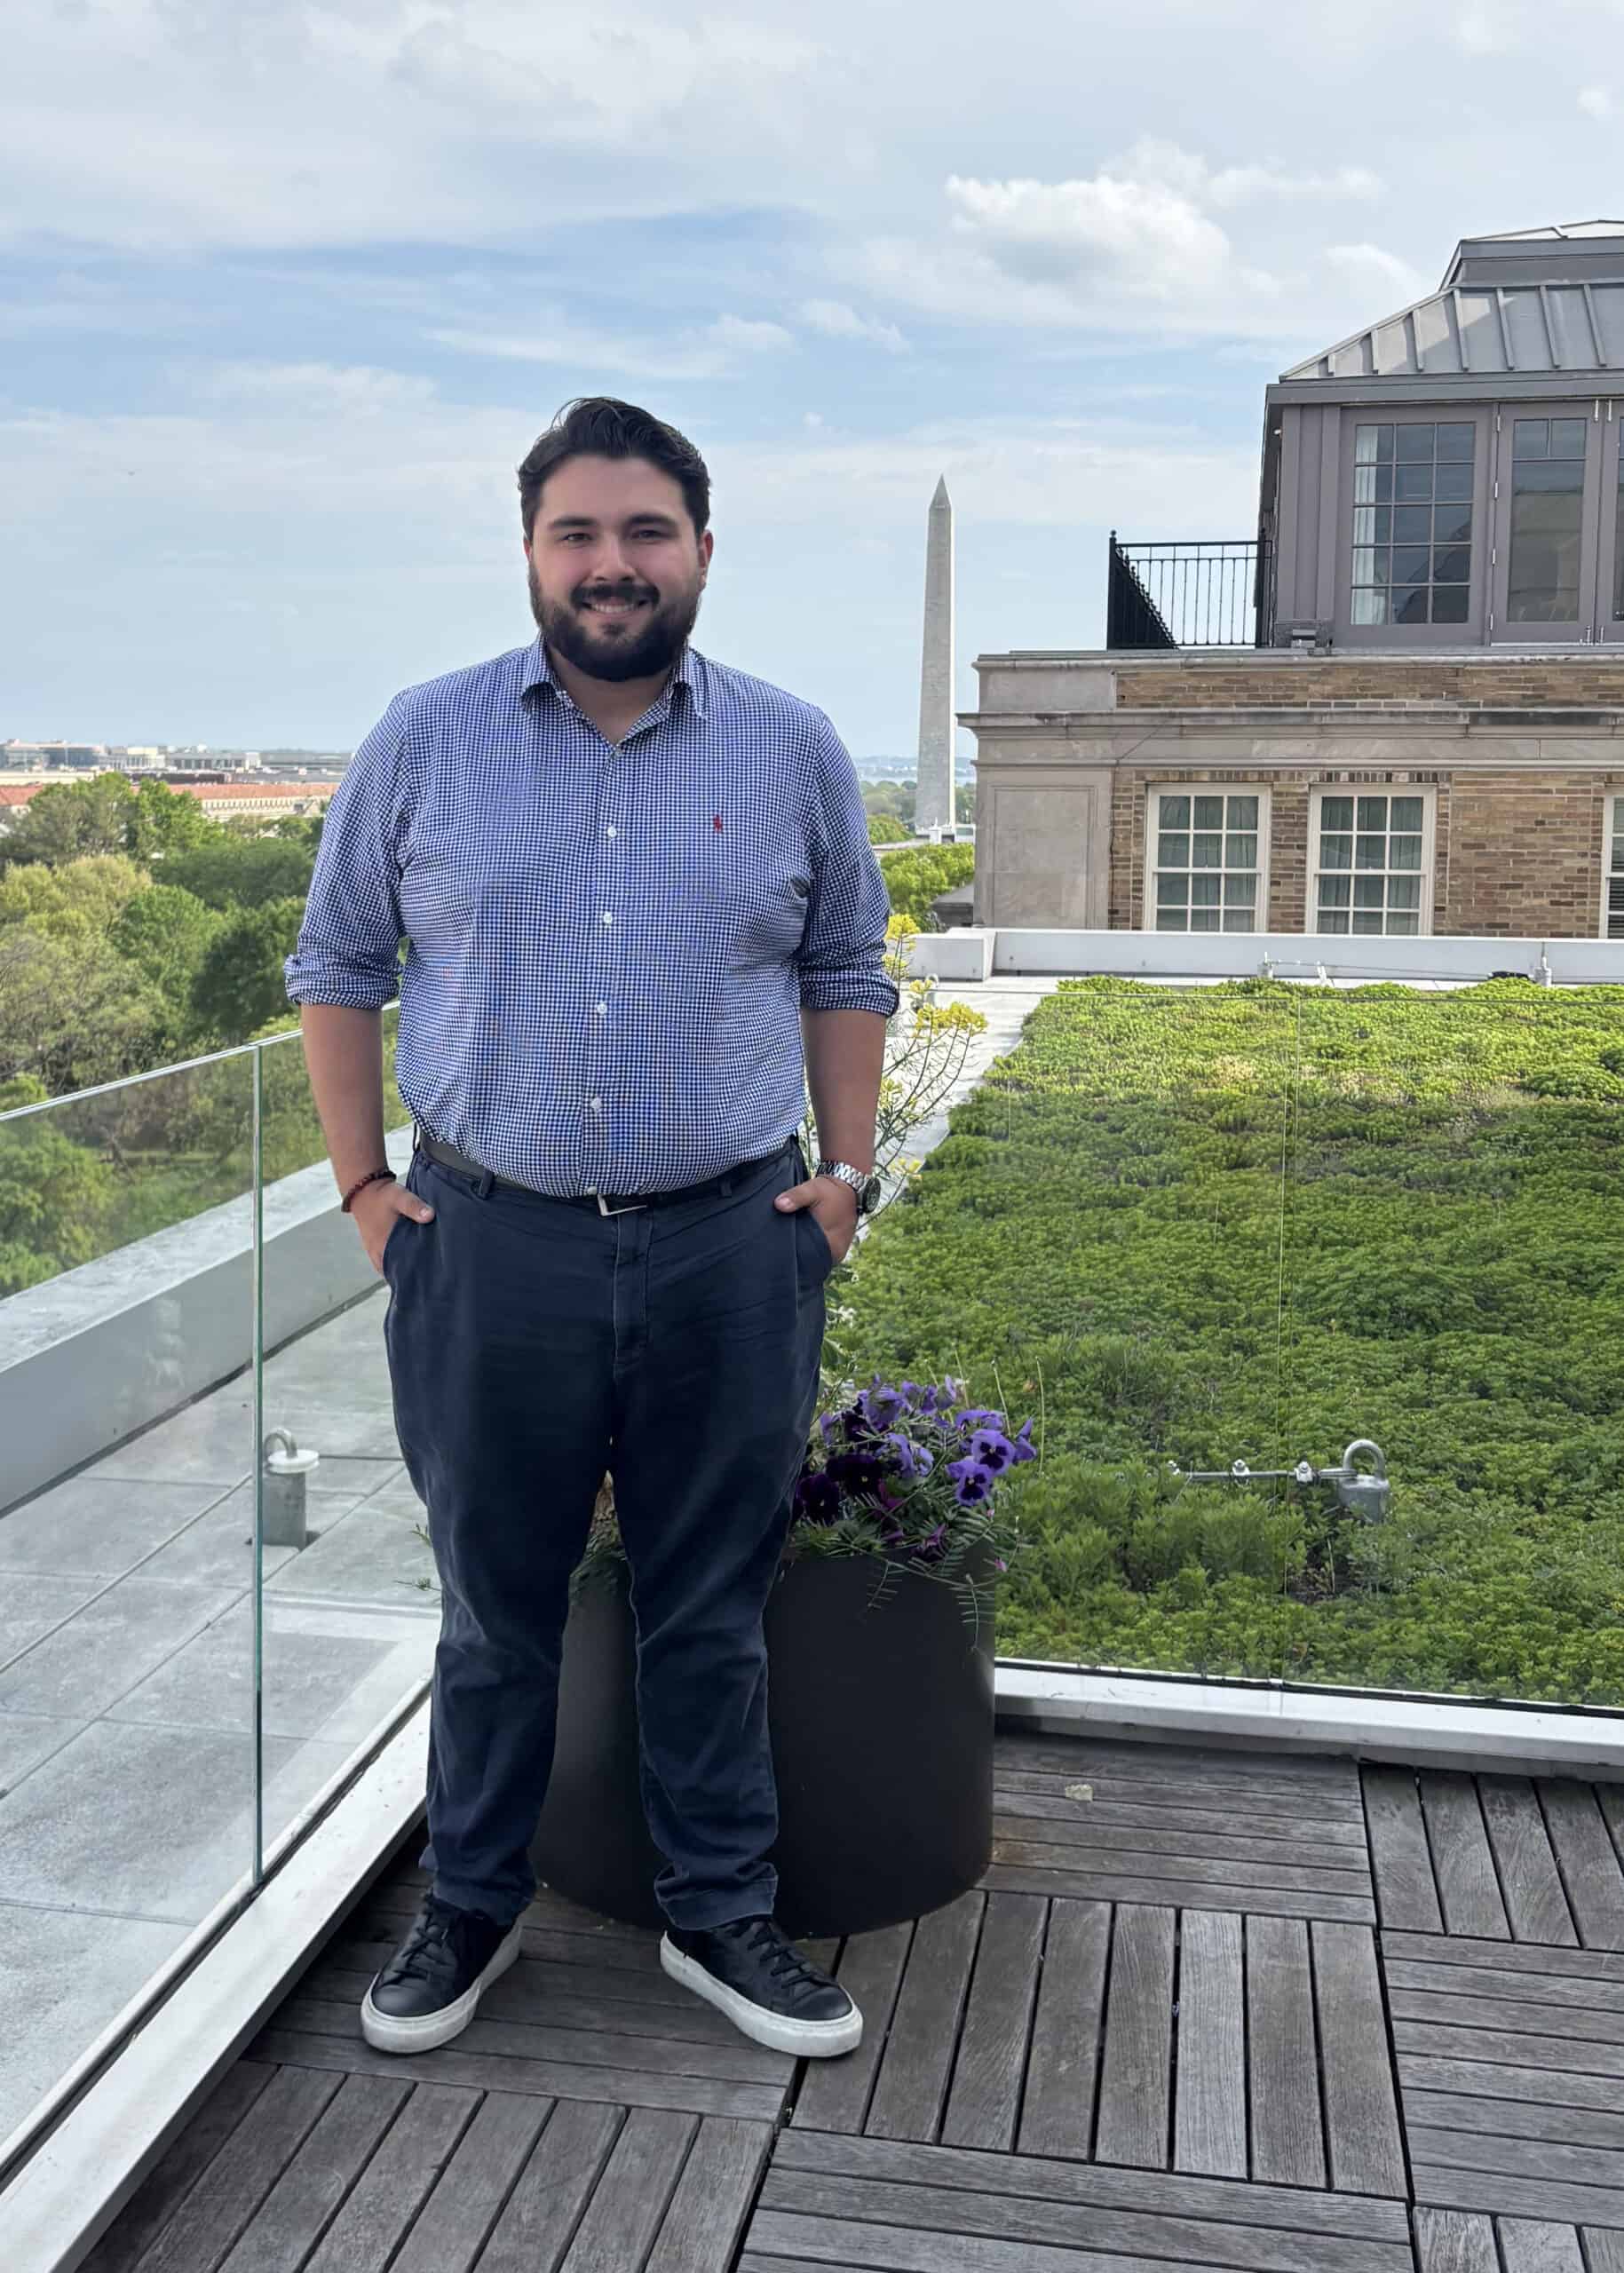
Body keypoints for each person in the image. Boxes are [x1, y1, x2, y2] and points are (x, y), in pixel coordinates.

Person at [284, 396, 898, 2063]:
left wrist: (845, 1181)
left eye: (644, 532)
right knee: (495, 1610)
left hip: (731, 1244)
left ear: (700, 550)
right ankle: (467, 1910)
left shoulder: (790, 747)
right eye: (578, 533)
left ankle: (720, 1917)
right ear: (532, 553)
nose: (611, 565)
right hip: (488, 1245)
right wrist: (363, 1195)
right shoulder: (427, 739)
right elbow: (336, 965)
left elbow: (848, 969)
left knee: (710, 1601)